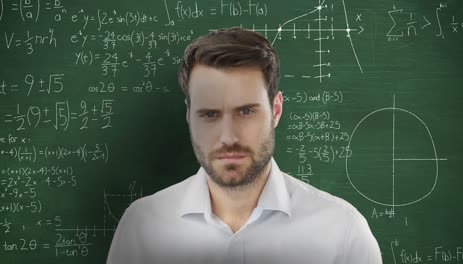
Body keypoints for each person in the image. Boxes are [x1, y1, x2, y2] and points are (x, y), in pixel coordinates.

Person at [107, 27, 382, 264]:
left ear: (275, 110)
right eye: (210, 114)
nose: (228, 137)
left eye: (246, 112)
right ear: (190, 116)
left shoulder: (342, 232)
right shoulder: (142, 228)